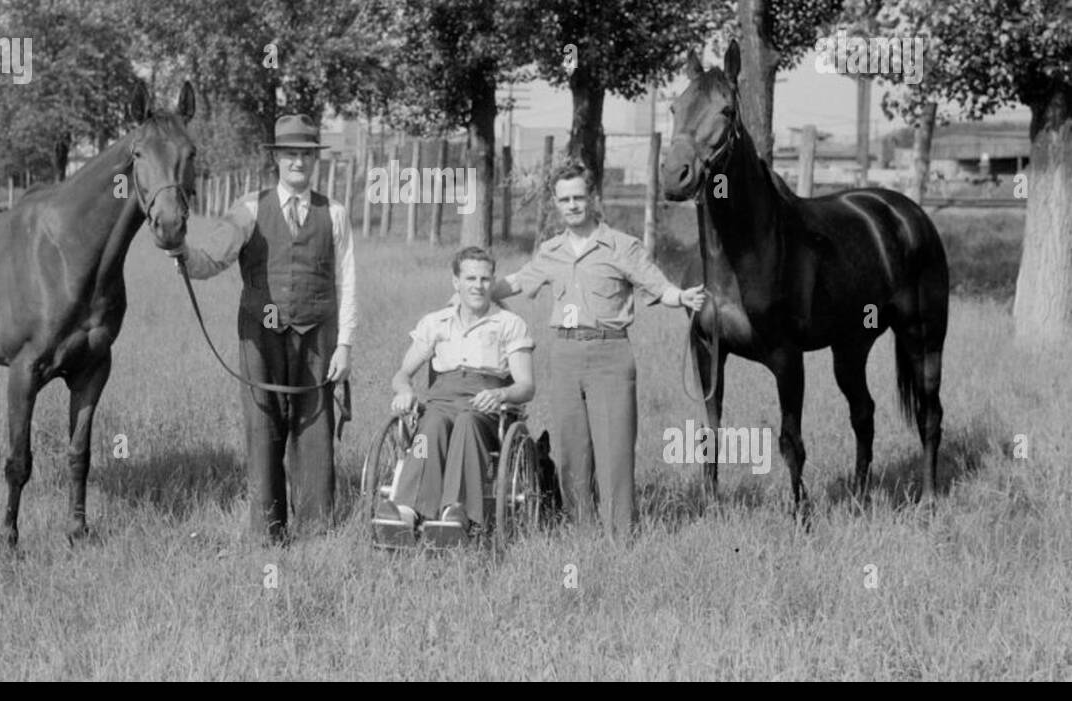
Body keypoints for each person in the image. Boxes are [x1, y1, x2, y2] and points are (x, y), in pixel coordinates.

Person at [490, 159, 705, 540]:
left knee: (614, 449)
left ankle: (620, 536)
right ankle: (581, 531)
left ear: (593, 198)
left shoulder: (622, 246)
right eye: (564, 199)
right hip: (565, 355)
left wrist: (682, 296)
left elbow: (658, 286)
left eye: (578, 197)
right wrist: (478, 291)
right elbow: (520, 280)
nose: (572, 205)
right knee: (573, 449)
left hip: (610, 355)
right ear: (555, 204)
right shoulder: (551, 250)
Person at [167, 113, 356, 542]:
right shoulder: (249, 207)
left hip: (318, 336)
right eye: (290, 154)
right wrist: (182, 251)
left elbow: (348, 281)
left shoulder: (336, 213)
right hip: (260, 336)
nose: (298, 163)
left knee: (314, 428)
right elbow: (211, 259)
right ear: (276, 159)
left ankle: (316, 533)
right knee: (263, 424)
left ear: (315, 160)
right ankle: (267, 533)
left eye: (306, 155)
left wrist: (345, 345)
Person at [374, 246, 534, 548]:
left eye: (485, 279)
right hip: (442, 400)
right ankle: (408, 510)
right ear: (455, 282)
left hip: (485, 404)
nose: (478, 286)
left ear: (493, 281)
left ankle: (454, 511)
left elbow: (526, 386)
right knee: (429, 426)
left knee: (466, 422)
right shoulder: (437, 323)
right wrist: (405, 390)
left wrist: (501, 393)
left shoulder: (509, 324)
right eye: (470, 278)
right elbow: (402, 373)